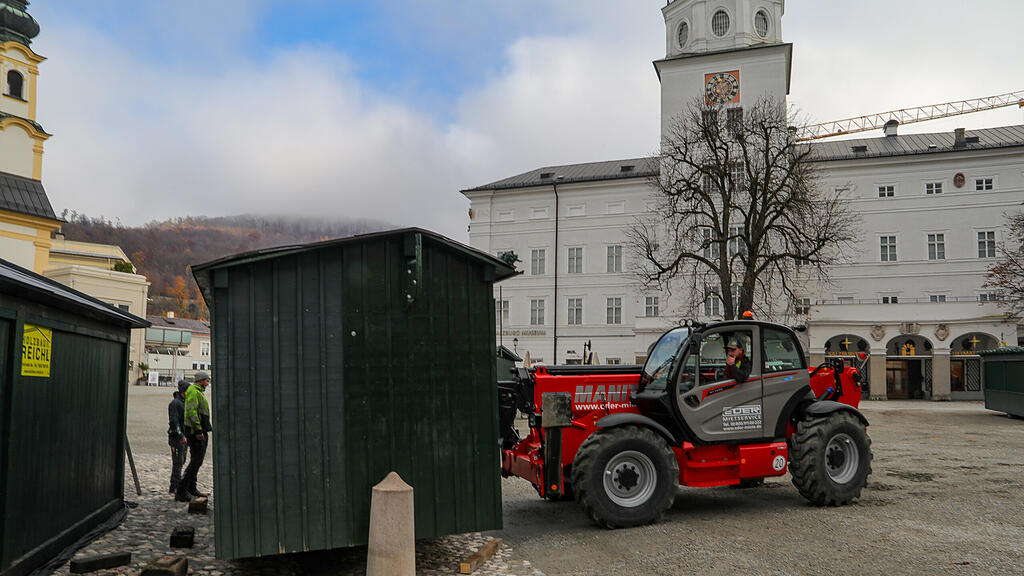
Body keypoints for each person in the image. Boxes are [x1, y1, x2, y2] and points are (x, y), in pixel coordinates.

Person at [176, 371, 212, 502]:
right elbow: (192, 412)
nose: (208, 383)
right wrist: (198, 431)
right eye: (206, 381)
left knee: (197, 461)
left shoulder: (197, 391)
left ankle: (191, 488)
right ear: (200, 380)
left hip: (198, 431)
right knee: (196, 461)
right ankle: (181, 490)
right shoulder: (194, 391)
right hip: (196, 432)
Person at [167, 380, 189, 494]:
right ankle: (174, 487)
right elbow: (174, 422)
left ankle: (178, 485)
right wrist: (180, 435)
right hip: (176, 438)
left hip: (183, 437)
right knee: (177, 462)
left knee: (182, 461)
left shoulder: (184, 402)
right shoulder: (175, 404)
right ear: (183, 392)